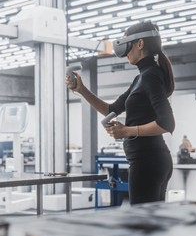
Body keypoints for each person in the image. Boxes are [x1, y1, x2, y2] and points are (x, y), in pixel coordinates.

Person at [66, 20, 175, 205]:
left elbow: (167, 123)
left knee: (143, 224)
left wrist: (126, 131)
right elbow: (111, 109)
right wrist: (82, 89)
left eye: (128, 44)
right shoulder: (142, 77)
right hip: (152, 161)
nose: (125, 52)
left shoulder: (149, 76)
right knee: (151, 223)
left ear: (140, 44)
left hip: (147, 162)